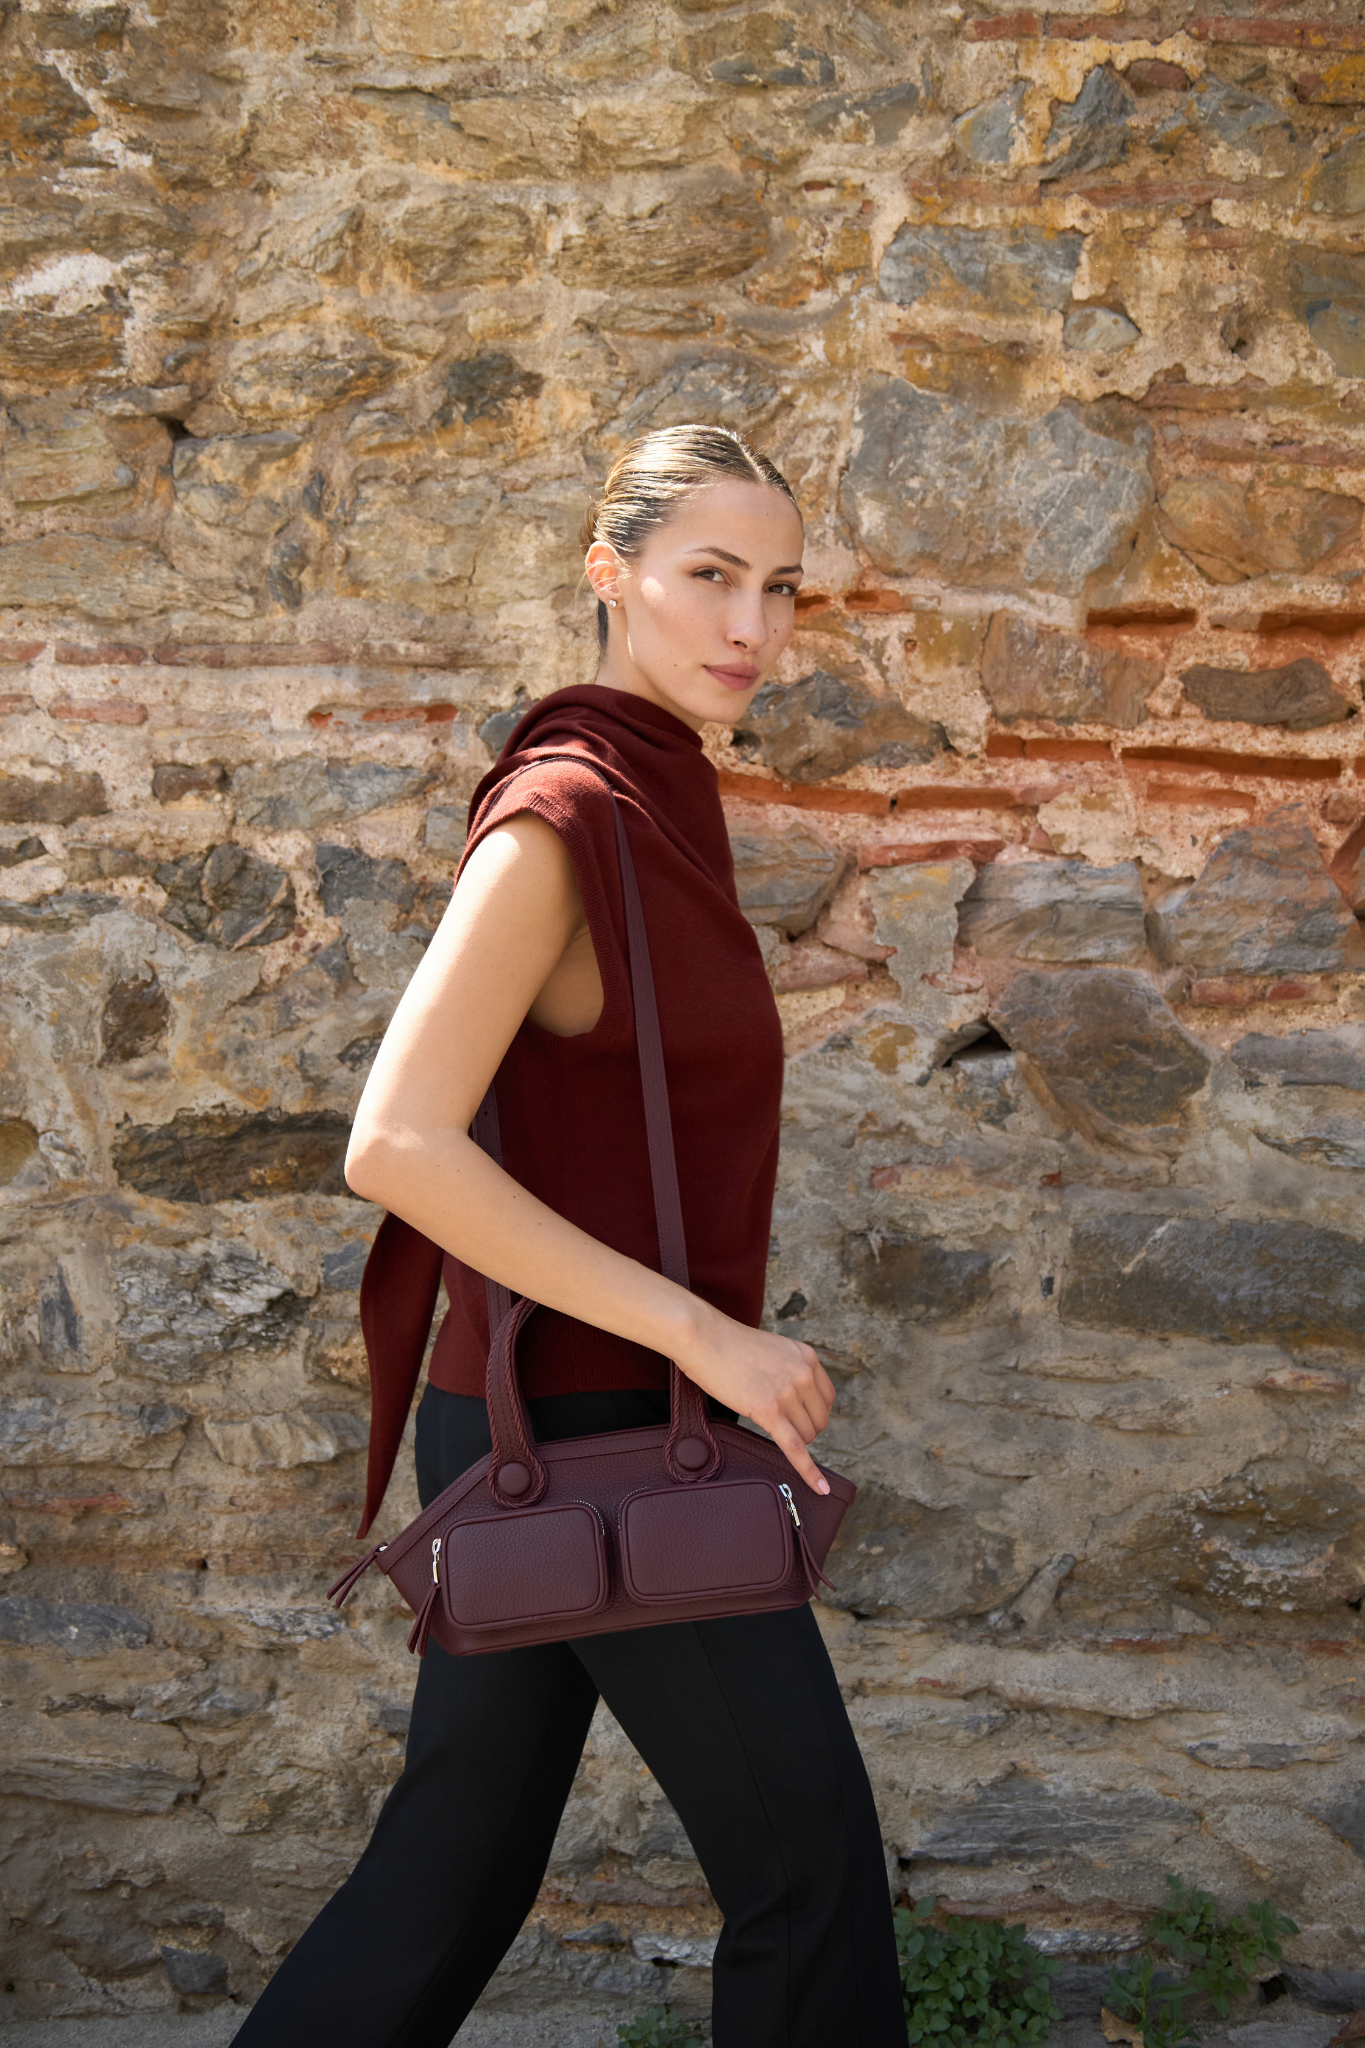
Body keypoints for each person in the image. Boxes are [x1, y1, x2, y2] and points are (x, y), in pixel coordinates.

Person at [234, 426, 906, 2048]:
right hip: (597, 1425)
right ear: (610, 574)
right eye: (709, 575)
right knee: (807, 1869)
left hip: (555, 1419)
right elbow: (395, 1142)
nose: (749, 624)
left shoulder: (662, 795)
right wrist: (704, 1335)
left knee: (445, 1880)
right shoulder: (563, 816)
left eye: (781, 589)